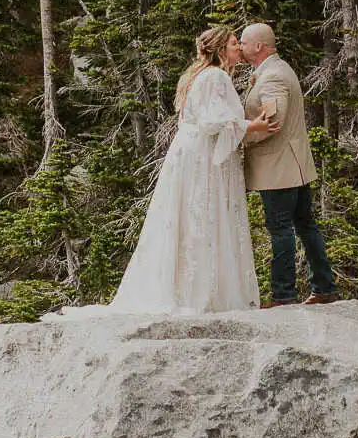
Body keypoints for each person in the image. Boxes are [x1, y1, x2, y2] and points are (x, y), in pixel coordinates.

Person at [52, 26, 276, 316]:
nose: (238, 49)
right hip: (203, 159)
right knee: (202, 215)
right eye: (234, 44)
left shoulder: (204, 75)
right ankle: (201, 292)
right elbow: (212, 122)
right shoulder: (215, 76)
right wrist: (253, 126)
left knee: (194, 217)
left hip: (195, 154)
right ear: (221, 49)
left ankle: (197, 287)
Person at [238, 22, 339, 307]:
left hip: (278, 168)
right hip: (292, 164)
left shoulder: (272, 77)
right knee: (306, 225)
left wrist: (240, 140)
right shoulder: (279, 70)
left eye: (244, 42)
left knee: (280, 229)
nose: (241, 46)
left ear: (259, 46)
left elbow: (273, 122)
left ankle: (284, 295)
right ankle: (324, 287)